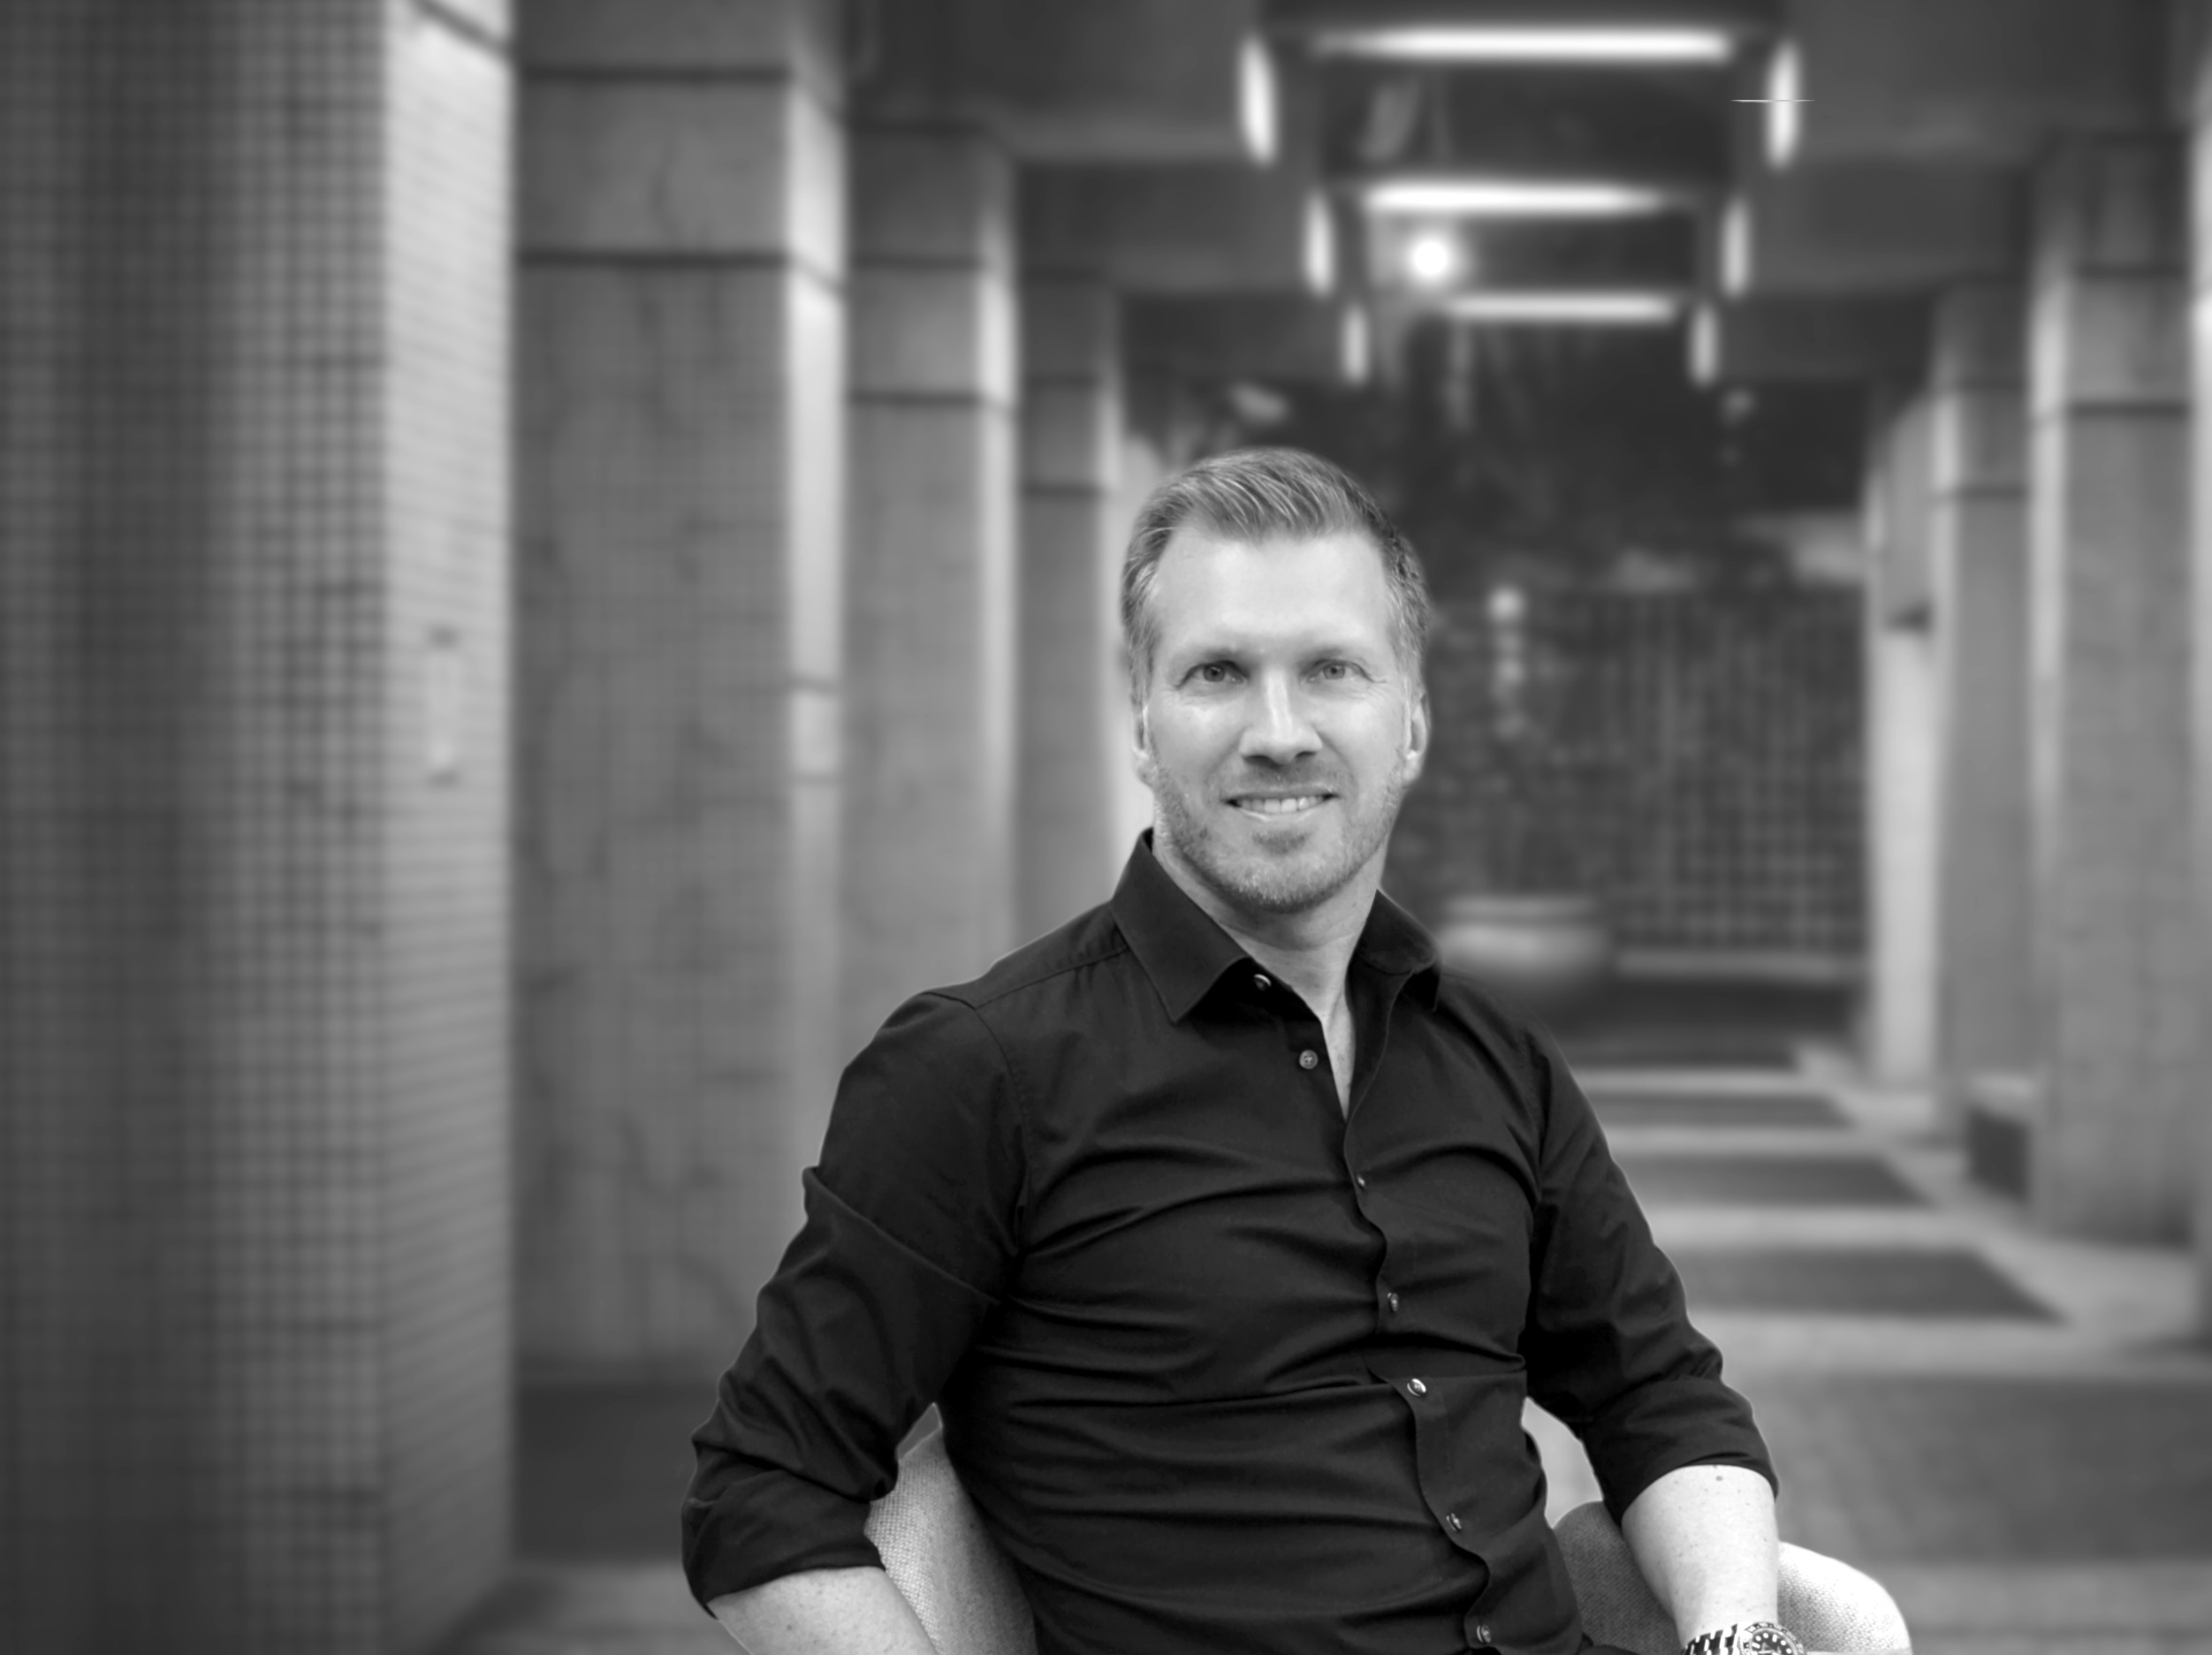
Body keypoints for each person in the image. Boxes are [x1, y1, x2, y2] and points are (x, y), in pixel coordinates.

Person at [682, 447, 1801, 1655]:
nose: (1279, 732)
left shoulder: (1494, 1057)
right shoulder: (980, 1071)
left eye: (1331, 670)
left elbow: (1657, 1396)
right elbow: (762, 1494)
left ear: (1412, 722)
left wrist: (1738, 1636)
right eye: (1218, 672)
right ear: (1142, 723)